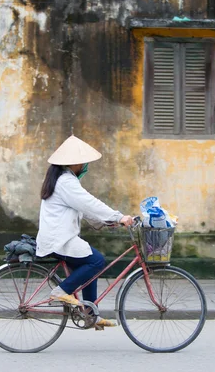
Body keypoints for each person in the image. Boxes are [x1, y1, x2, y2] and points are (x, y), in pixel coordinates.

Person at [36, 135, 134, 329]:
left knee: (90, 266)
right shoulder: (66, 182)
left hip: (59, 238)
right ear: (75, 163)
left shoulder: (63, 179)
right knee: (96, 261)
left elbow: (82, 207)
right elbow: (89, 203)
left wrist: (107, 222)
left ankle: (91, 314)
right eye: (83, 162)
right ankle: (61, 291)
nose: (85, 166)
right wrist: (118, 216)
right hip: (59, 240)